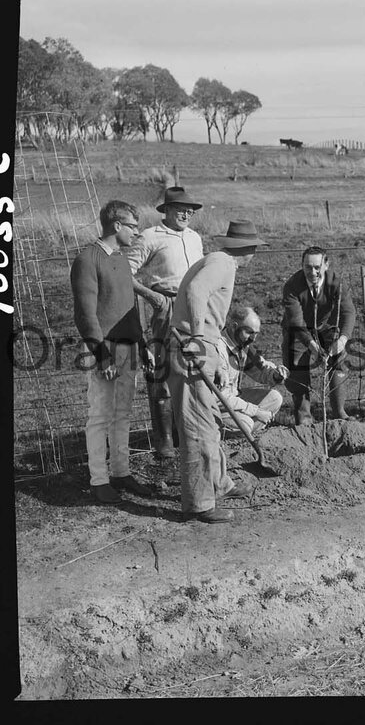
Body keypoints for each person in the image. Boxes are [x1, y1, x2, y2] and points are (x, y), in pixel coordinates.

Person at [166, 220, 267, 524]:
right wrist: (197, 338)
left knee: (209, 423)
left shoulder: (217, 260)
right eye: (254, 249)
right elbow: (196, 291)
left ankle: (219, 484)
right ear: (247, 249)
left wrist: (214, 359)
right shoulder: (222, 263)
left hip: (201, 348)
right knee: (197, 428)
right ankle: (200, 504)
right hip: (191, 347)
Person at [70, 200, 153, 504]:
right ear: (116, 225)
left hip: (128, 348)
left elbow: (131, 310)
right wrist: (101, 355)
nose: (137, 231)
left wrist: (143, 346)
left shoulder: (119, 259)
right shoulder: (87, 259)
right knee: (100, 415)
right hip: (103, 349)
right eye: (133, 226)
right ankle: (99, 480)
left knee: (123, 413)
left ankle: (121, 472)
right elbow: (85, 315)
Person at [124, 186, 204, 459]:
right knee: (163, 372)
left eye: (190, 209)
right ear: (166, 210)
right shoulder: (150, 237)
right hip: (166, 307)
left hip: (194, 309)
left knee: (192, 368)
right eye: (180, 208)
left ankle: (187, 432)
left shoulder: (195, 238)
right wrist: (154, 298)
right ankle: (164, 439)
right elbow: (125, 273)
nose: (186, 213)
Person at [281, 246, 356, 423]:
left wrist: (343, 339)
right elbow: (296, 323)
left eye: (317, 267)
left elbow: (348, 312)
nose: (313, 272)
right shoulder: (292, 286)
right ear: (302, 266)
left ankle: (339, 412)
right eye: (308, 267)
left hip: (324, 327)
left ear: (326, 265)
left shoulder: (336, 283)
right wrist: (311, 345)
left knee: (338, 357)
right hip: (298, 330)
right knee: (296, 365)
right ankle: (304, 418)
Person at [218, 306, 290, 436]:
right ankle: (212, 433)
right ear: (234, 327)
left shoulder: (241, 344)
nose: (253, 338)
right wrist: (255, 411)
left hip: (234, 399)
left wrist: (275, 374)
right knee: (245, 424)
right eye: (250, 332)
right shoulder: (218, 349)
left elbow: (260, 368)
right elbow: (221, 397)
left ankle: (243, 430)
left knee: (274, 398)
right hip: (216, 406)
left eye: (256, 333)